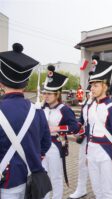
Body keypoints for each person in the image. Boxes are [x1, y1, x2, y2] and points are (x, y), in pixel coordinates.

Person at [0, 43, 51, 199]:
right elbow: (46, 143)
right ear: (26, 84)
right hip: (31, 179)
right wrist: (32, 158)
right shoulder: (38, 112)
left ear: (1, 83)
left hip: (6, 183)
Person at [87, 55, 112, 199]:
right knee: (97, 189)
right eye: (91, 85)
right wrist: (87, 153)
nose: (92, 88)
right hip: (92, 151)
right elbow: (89, 132)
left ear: (105, 86)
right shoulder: (91, 106)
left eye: (96, 85)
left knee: (108, 191)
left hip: (106, 152)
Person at [42, 65, 79, 199]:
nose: (45, 95)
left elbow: (74, 127)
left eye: (49, 93)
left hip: (55, 145)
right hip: (41, 146)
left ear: (57, 94)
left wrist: (57, 128)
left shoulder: (65, 109)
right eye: (44, 93)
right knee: (42, 175)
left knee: (56, 177)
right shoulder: (41, 108)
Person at [69, 84, 93, 199]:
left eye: (91, 91)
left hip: (99, 141)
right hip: (85, 139)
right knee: (82, 164)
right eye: (88, 92)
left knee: (98, 166)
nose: (89, 94)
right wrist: (77, 128)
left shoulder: (104, 105)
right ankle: (81, 188)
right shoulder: (85, 104)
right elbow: (81, 120)